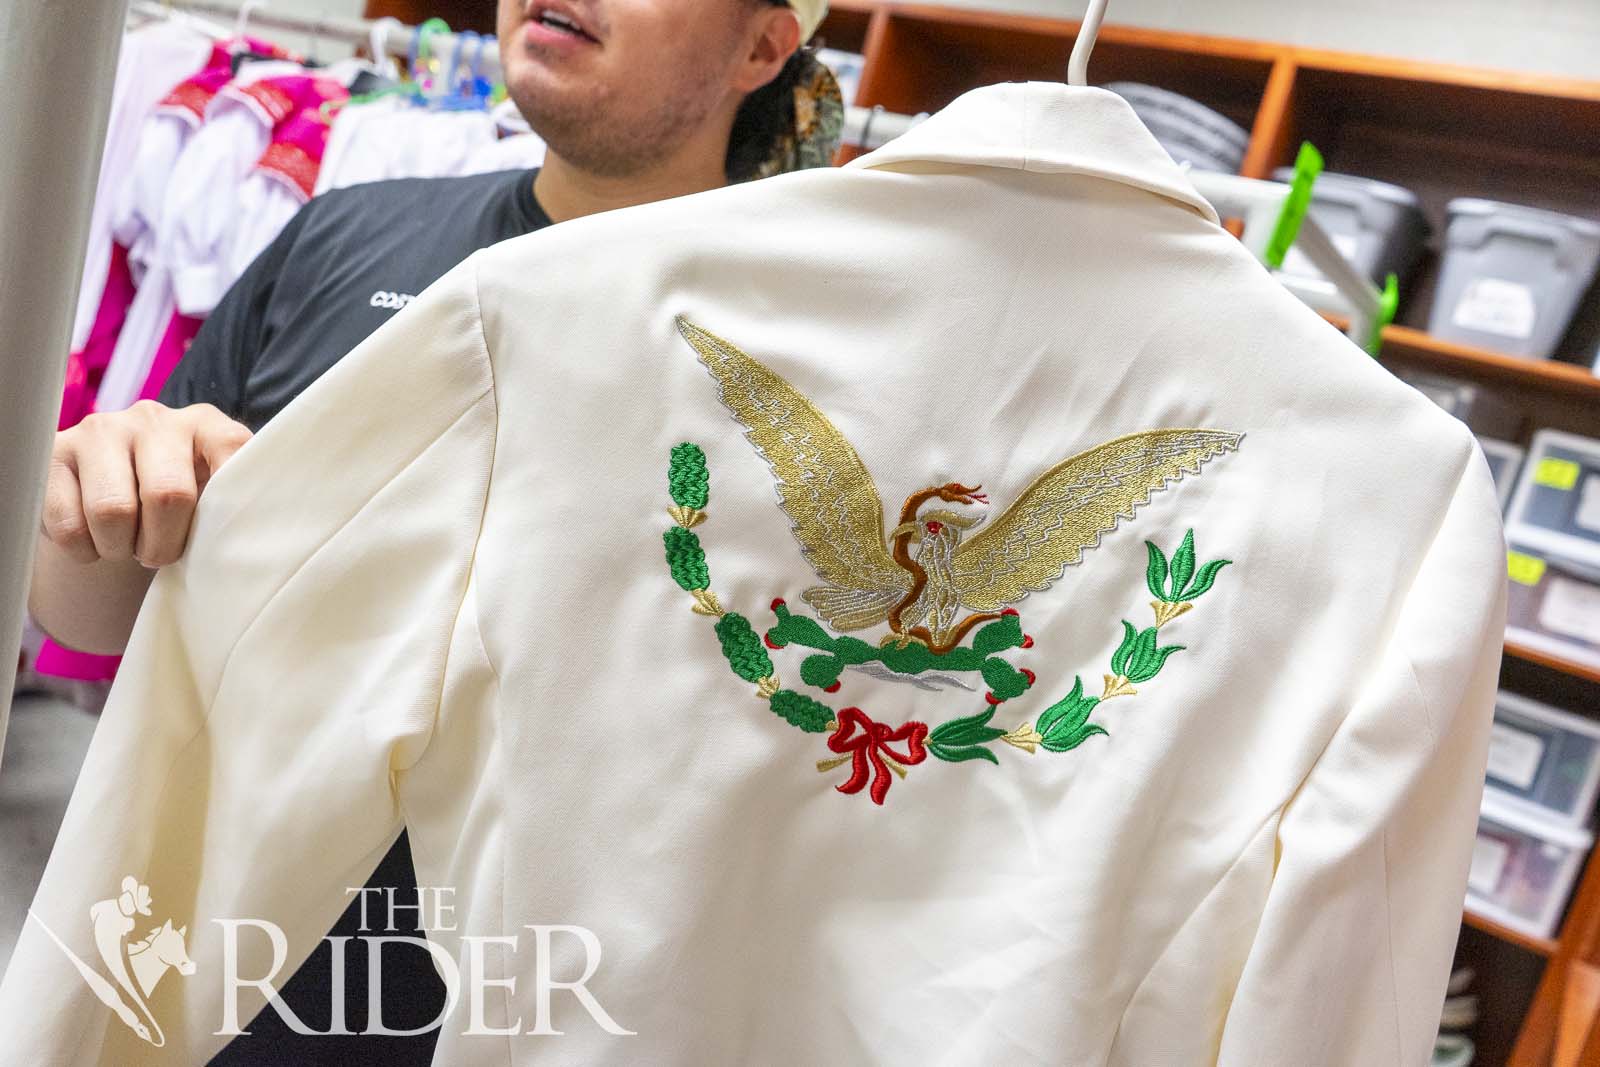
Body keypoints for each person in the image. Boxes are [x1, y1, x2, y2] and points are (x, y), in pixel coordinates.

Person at [26, 0, 840, 1060]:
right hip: (231, 987)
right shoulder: (347, 230)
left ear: (763, 47)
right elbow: (101, 617)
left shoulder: (808, 346)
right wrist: (95, 502)